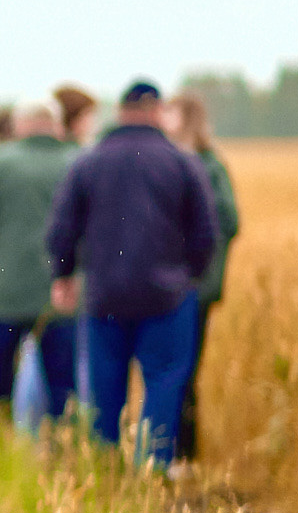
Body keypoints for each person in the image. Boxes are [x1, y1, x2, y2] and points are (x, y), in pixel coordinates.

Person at [46, 80, 218, 467]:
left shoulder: (88, 162)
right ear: (157, 111)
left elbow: (62, 227)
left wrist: (64, 274)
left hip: (105, 294)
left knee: (105, 389)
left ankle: (106, 469)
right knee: (164, 381)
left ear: (121, 111)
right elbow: (206, 231)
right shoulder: (182, 162)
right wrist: (189, 274)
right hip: (168, 297)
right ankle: (152, 467)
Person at [0, 99, 80, 432]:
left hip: (2, 293)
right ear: (56, 125)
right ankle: (61, 454)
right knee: (63, 386)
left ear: (20, 125)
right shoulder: (76, 161)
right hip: (61, 296)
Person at [163, 90, 240, 460]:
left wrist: (195, 250)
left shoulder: (209, 165)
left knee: (185, 370)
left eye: (171, 111)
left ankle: (184, 454)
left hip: (197, 284)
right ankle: (173, 450)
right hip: (176, 284)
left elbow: (229, 220)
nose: (163, 117)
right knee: (174, 369)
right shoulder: (172, 160)